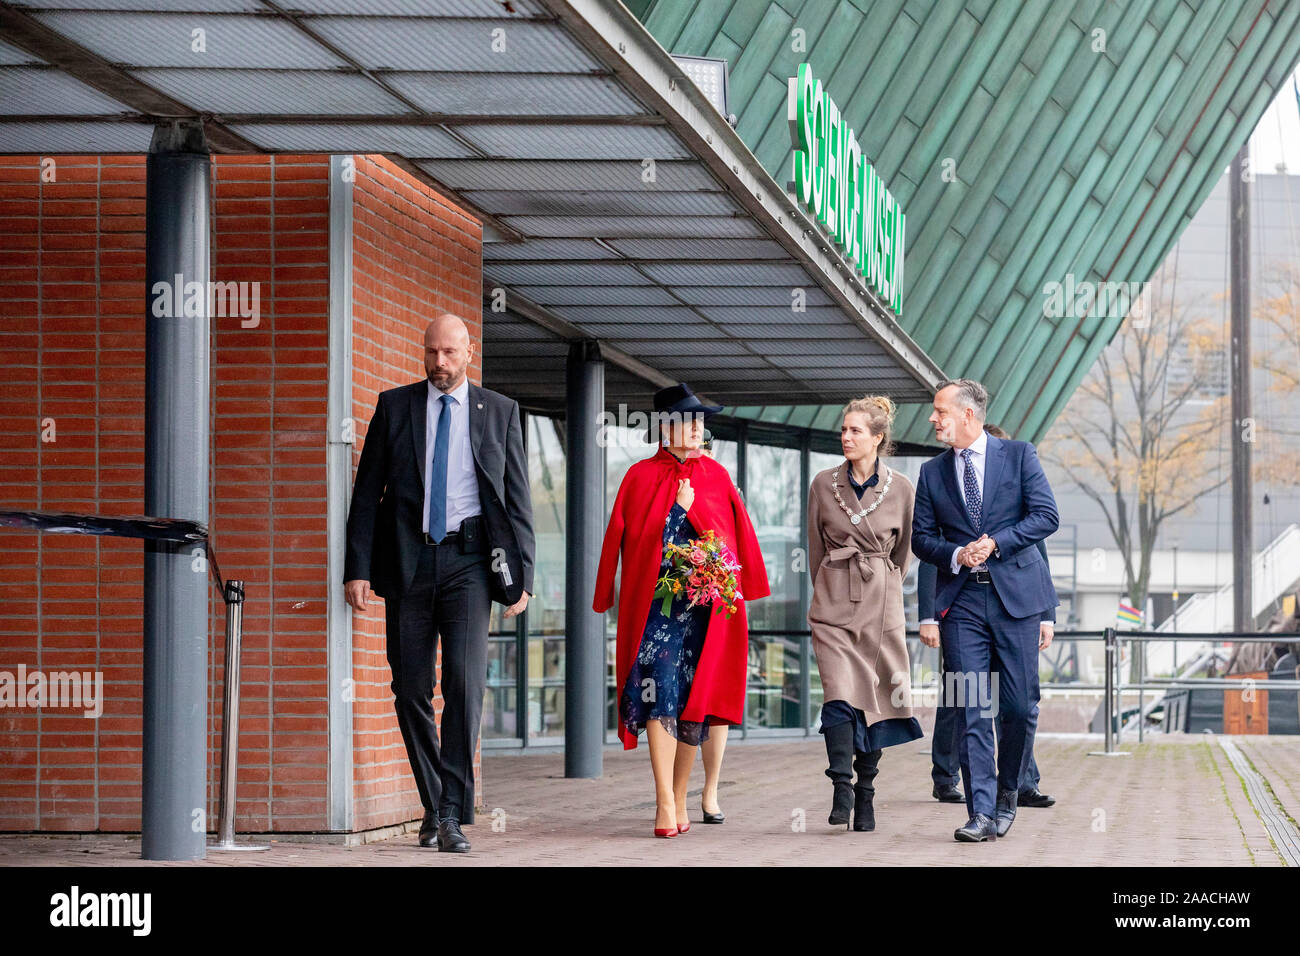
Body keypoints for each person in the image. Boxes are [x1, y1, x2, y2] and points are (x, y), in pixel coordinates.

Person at [343, 314, 535, 854]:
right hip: (408, 562)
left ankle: (449, 811)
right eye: (431, 352)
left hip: (471, 563)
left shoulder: (499, 412)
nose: (439, 363)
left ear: (468, 352)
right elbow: (366, 495)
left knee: (465, 684)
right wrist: (357, 567)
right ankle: (437, 802)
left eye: (449, 353)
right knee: (409, 689)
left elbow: (518, 503)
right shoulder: (395, 406)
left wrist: (521, 578)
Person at [594, 384, 769, 837]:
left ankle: (683, 793)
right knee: (658, 696)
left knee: (695, 703)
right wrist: (676, 510)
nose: (697, 430)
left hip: (706, 614)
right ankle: (664, 803)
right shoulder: (638, 476)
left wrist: (739, 585)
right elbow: (626, 541)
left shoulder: (716, 475)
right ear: (665, 427)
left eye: (700, 422)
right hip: (656, 611)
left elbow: (736, 539)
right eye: (688, 422)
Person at [912, 380, 1059, 842]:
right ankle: (979, 812)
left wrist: (996, 543)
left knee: (1018, 707)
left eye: (940, 411)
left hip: (1016, 601)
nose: (934, 419)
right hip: (963, 604)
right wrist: (957, 554)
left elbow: (1045, 516)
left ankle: (1008, 795)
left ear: (968, 414)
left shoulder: (1019, 456)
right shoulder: (932, 472)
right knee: (970, 706)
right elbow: (921, 539)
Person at [807, 396, 922, 832]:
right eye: (843, 430)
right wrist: (824, 591)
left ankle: (867, 793)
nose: (846, 437)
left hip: (882, 604)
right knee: (838, 694)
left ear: (878, 438)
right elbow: (815, 547)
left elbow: (904, 552)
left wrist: (883, 582)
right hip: (834, 599)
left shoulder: (903, 488)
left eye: (855, 431)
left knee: (875, 703)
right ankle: (840, 784)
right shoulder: (822, 483)